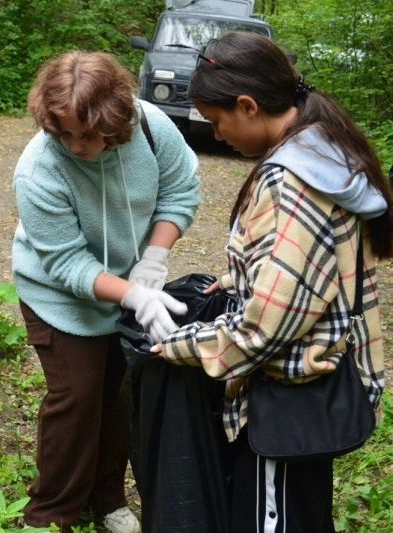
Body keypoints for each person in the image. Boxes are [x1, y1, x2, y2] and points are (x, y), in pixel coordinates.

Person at [153, 32, 393, 532]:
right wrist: (236, 277)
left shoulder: (294, 182)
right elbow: (311, 266)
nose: (218, 136)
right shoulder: (323, 149)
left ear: (247, 105)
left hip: (286, 398)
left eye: (218, 122)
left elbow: (265, 329)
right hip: (307, 388)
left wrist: (178, 345)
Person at [12, 50, 201, 532]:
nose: (77, 146)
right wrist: (133, 294)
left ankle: (108, 499)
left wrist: (153, 260)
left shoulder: (153, 128)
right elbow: (65, 262)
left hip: (130, 277)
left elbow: (180, 190)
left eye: (90, 133)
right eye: (65, 132)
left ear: (117, 117)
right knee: (77, 398)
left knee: (117, 394)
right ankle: (50, 515)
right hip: (58, 297)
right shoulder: (38, 169)